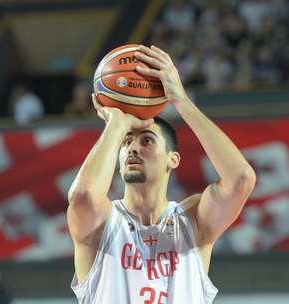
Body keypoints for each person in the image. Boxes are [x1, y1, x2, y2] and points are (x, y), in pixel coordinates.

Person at [67, 45, 256, 303]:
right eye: (125, 142)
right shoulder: (102, 224)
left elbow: (241, 179)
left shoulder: (193, 223)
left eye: (146, 141)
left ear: (173, 159)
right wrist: (117, 125)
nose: (133, 147)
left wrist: (181, 100)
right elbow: (82, 197)